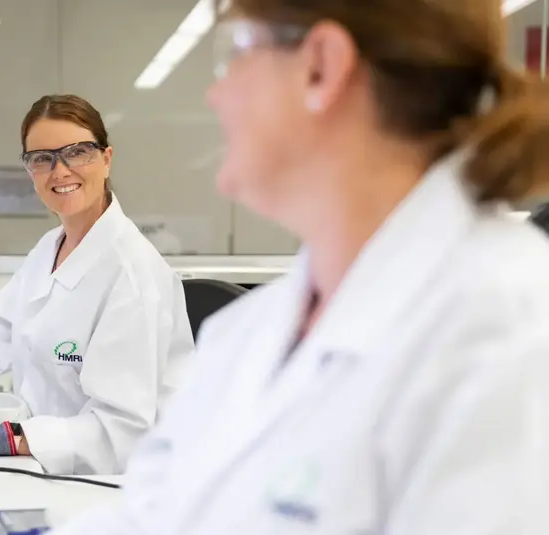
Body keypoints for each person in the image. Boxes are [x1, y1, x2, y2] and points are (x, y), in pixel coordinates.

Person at [53, 0, 549, 533]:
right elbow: (148, 518)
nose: (216, 94)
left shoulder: (504, 330)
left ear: (321, 67)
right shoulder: (248, 333)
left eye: (238, 52)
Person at [0, 95, 196, 476]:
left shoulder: (132, 273)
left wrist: (9, 440)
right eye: (42, 158)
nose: (59, 171)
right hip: (49, 469)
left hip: (112, 484)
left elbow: (120, 432)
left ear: (106, 159)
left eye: (77, 152)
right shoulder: (49, 249)